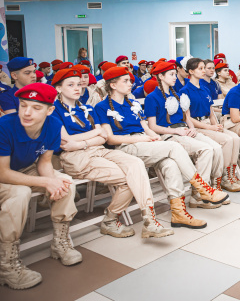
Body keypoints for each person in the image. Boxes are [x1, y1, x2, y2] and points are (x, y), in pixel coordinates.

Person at [51, 68, 174, 239]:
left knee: (135, 165)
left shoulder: (87, 108)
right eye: (70, 85)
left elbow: (103, 137)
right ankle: (110, 219)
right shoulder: (54, 110)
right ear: (58, 88)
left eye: (78, 84)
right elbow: (65, 142)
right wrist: (94, 134)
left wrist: (81, 142)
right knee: (131, 178)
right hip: (76, 157)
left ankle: (149, 221)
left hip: (98, 150)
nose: (77, 88)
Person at [96, 66, 207, 230]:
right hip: (125, 147)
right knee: (173, 147)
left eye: (130, 81)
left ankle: (179, 213)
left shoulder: (133, 103)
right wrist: (143, 138)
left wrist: (154, 137)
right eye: (125, 81)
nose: (130, 84)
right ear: (113, 85)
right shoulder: (101, 106)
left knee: (170, 163)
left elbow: (146, 127)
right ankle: (202, 188)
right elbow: (111, 139)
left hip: (143, 143)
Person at [0, 83, 83, 290]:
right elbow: (3, 173)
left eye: (36, 108)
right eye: (23, 105)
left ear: (49, 110)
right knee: (20, 193)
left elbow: (45, 163)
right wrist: (46, 182)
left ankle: (60, 243)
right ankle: (7, 264)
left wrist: (53, 183)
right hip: (3, 172)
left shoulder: (53, 125)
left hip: (24, 168)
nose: (27, 112)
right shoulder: (5, 125)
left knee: (65, 182)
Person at [145, 62, 229, 208]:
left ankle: (210, 187)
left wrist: (192, 128)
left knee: (216, 147)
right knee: (206, 149)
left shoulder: (177, 95)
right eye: (171, 74)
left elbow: (186, 117)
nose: (174, 77)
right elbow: (153, 126)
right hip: (169, 133)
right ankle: (199, 194)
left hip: (185, 130)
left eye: (174, 74)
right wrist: (176, 131)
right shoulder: (152, 97)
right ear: (160, 76)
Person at [182, 58, 240, 192]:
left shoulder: (204, 88)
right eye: (200, 68)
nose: (203, 71)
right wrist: (210, 128)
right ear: (191, 71)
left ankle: (230, 174)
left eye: (203, 68)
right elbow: (187, 117)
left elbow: (211, 111)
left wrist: (216, 125)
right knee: (227, 140)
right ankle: (221, 178)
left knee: (234, 138)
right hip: (197, 125)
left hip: (208, 123)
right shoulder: (185, 90)